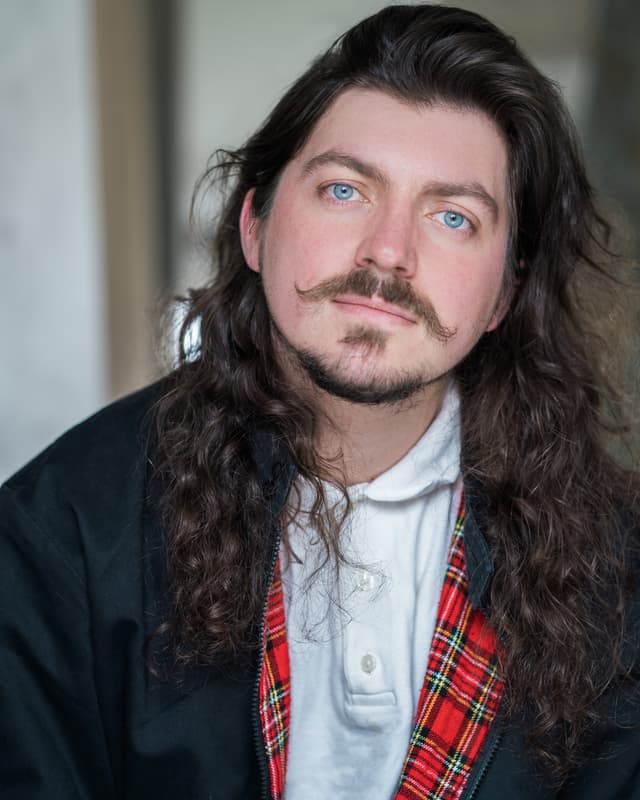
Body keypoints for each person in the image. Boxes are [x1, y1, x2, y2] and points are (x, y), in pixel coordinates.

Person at [1, 4, 639, 799]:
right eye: (344, 190)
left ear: (505, 293)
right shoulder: (56, 532)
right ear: (255, 226)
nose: (390, 252)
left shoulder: (615, 572)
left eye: (453, 217)